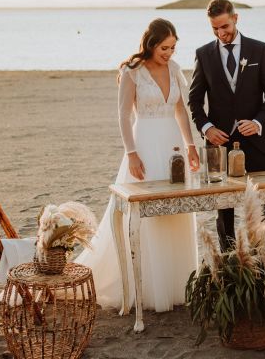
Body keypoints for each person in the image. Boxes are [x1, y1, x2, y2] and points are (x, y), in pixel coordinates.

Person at [77, 18, 200, 311]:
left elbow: (181, 110)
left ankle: (178, 285)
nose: (169, 53)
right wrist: (131, 152)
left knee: (176, 209)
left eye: (172, 48)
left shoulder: (174, 69)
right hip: (144, 143)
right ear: (150, 43)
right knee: (144, 215)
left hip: (172, 145)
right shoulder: (132, 71)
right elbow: (122, 115)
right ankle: (146, 288)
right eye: (164, 48)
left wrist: (191, 145)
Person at [188, 0, 265, 251]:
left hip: (257, 145)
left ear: (236, 18)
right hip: (219, 148)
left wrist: (258, 122)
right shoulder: (204, 54)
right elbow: (194, 101)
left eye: (225, 27)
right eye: (215, 29)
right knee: (224, 213)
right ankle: (231, 263)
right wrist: (207, 128)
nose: (221, 33)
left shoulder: (259, 50)